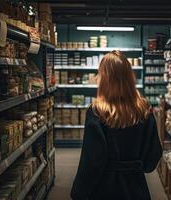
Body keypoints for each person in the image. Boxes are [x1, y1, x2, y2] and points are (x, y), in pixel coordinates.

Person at [70, 50, 163, 200]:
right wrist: (137, 166)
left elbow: (93, 160)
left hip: (105, 188)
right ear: (129, 77)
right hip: (136, 187)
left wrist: (79, 192)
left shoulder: (97, 111)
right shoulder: (144, 109)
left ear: (104, 78)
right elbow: (153, 155)